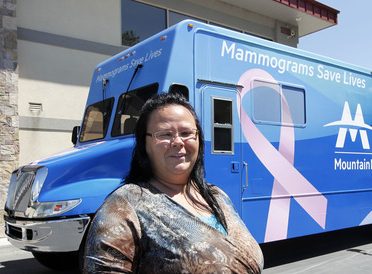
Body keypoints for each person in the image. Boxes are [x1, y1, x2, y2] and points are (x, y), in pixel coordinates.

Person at [83, 92, 264, 273]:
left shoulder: (217, 196)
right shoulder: (125, 204)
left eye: (187, 133)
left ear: (199, 139)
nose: (178, 142)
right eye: (164, 134)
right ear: (144, 144)